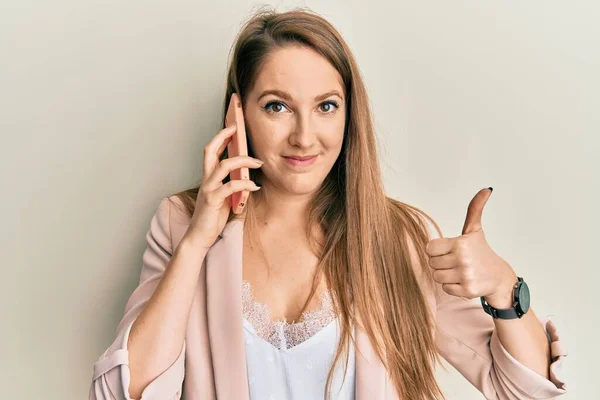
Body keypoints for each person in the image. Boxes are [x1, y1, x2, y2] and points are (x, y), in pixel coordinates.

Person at [89, 7, 568, 400]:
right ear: (239, 113)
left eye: (326, 106)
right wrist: (196, 243)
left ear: (349, 115)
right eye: (277, 106)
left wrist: (504, 287)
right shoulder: (179, 223)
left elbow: (524, 391)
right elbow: (123, 393)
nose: (304, 137)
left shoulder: (396, 237)